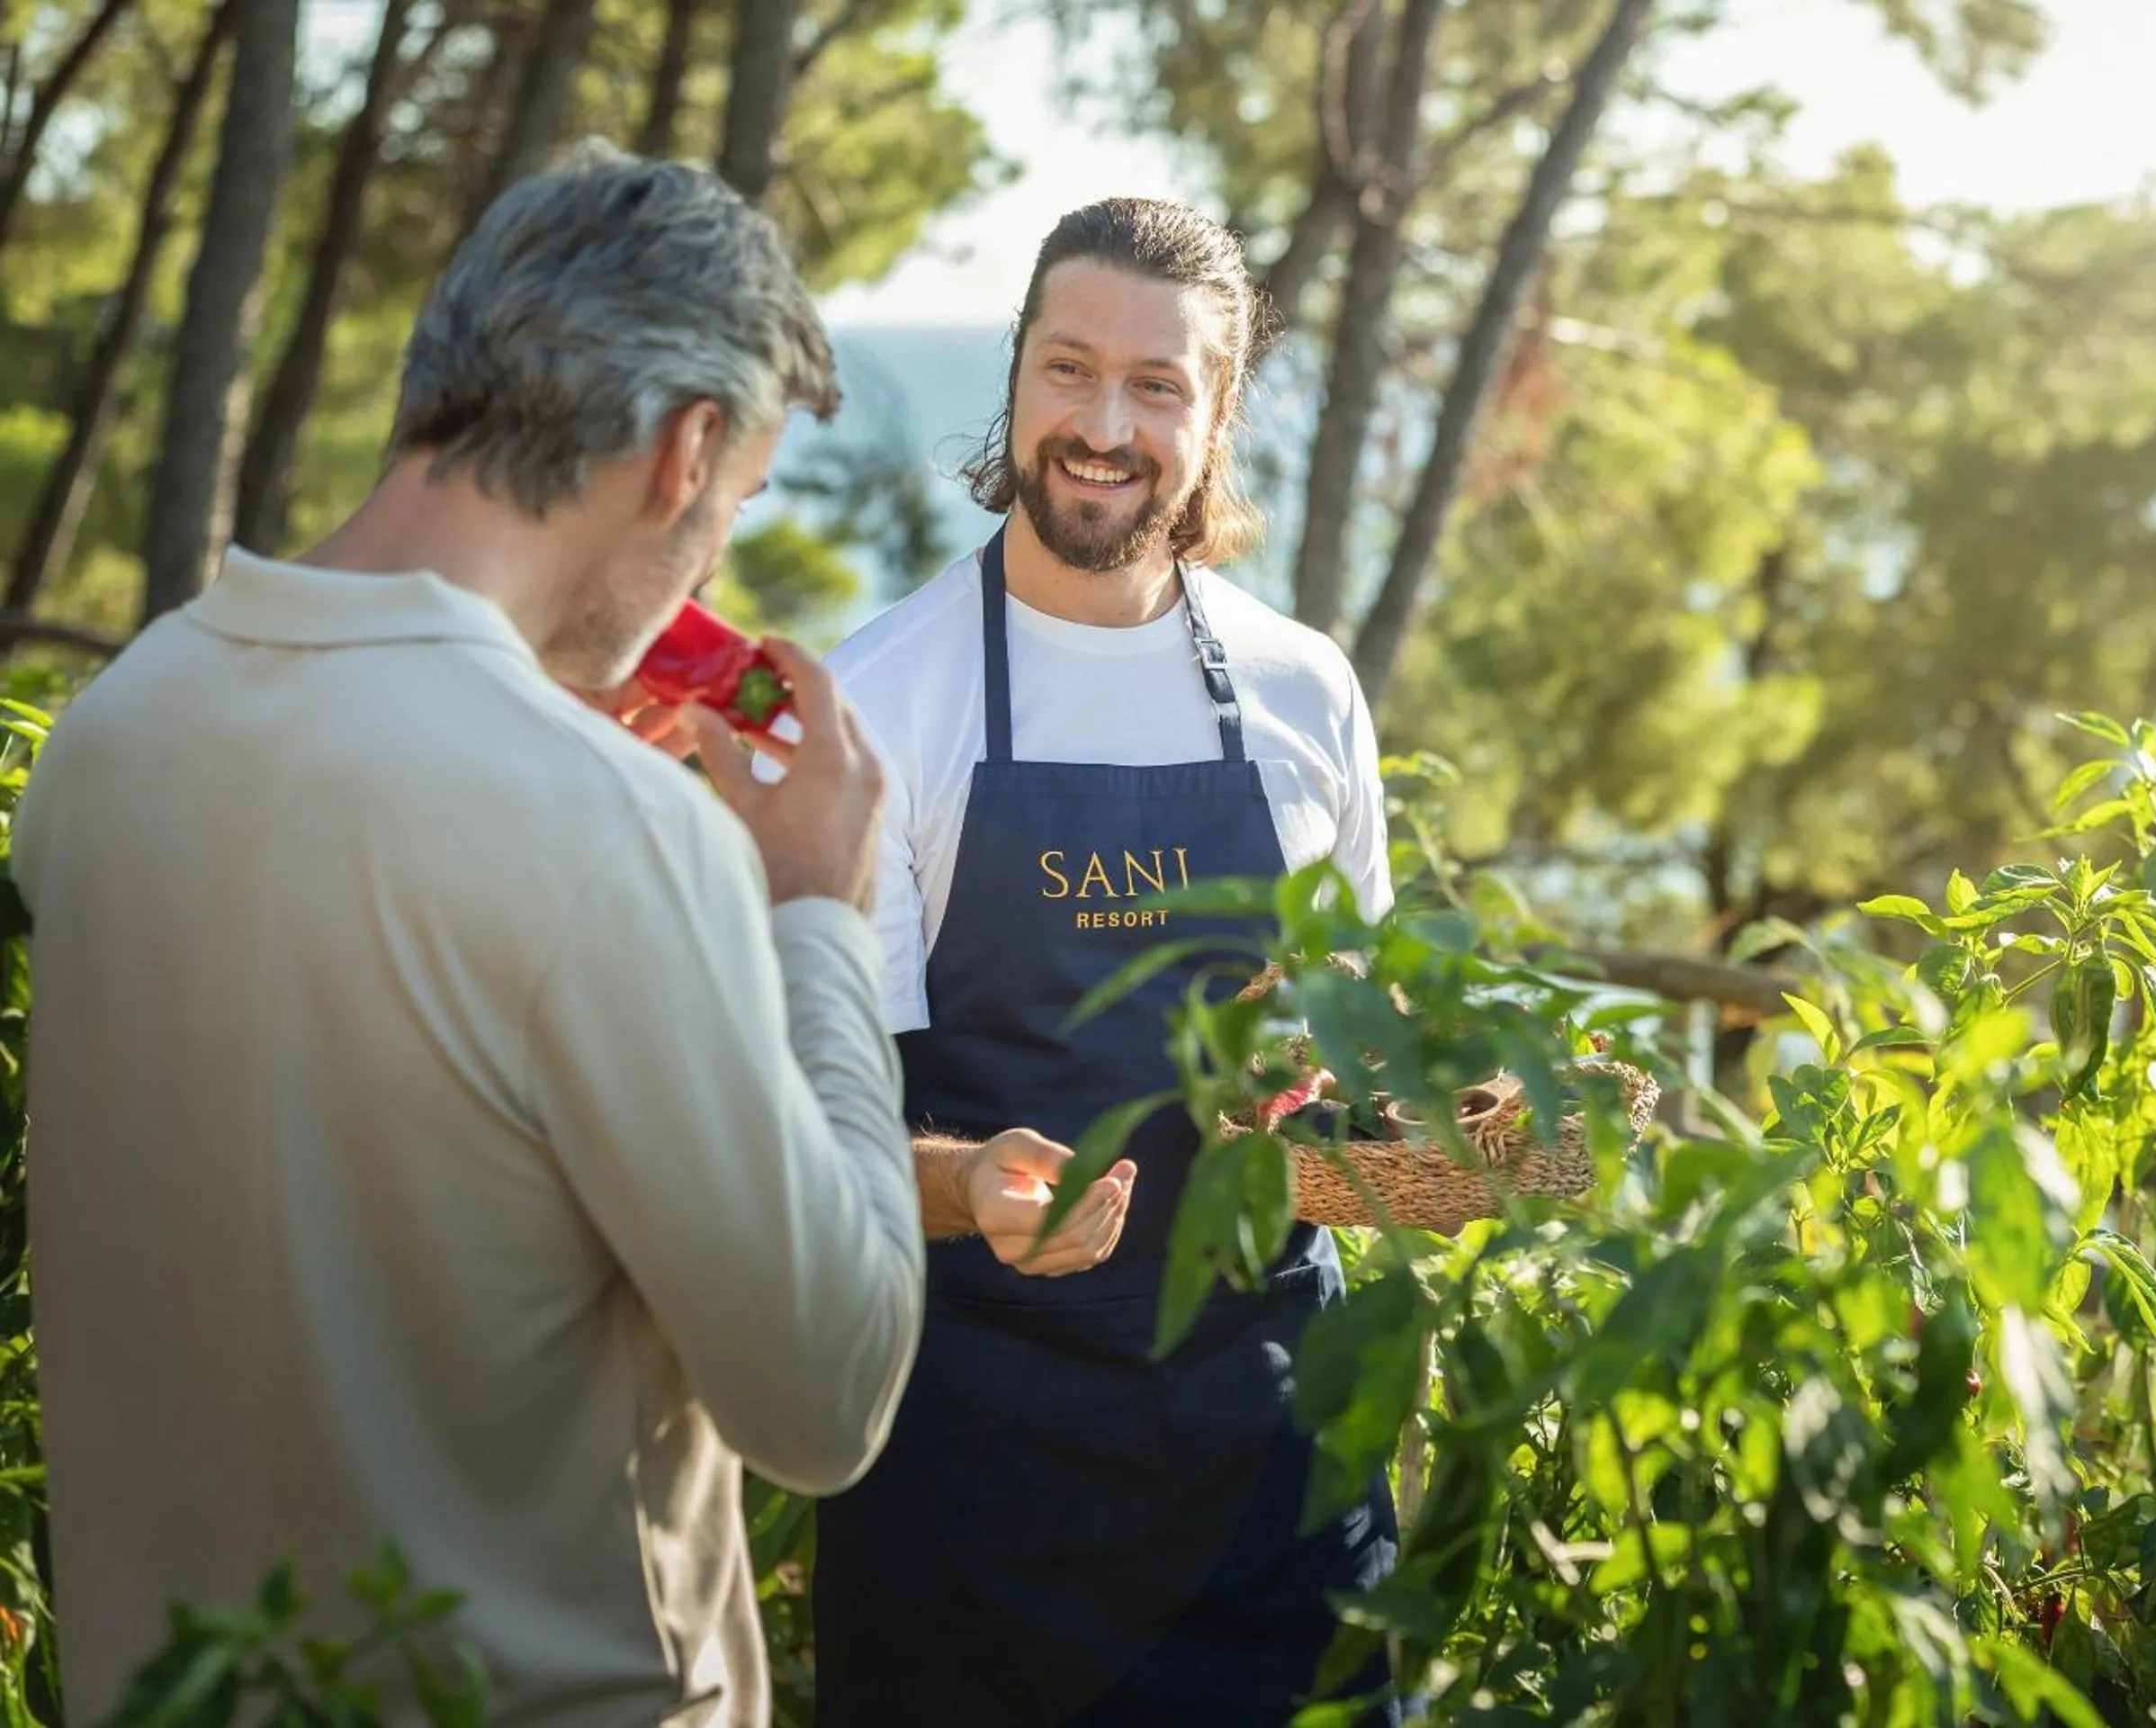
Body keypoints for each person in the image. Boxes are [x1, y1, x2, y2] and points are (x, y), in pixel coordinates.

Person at [13, 146, 924, 1726]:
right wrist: (811, 918)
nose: (714, 555)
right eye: (740, 499)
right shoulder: (604, 834)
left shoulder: (115, 732)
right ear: (684, 448)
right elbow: (826, 1396)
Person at [810, 198, 1401, 1726]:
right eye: (1070, 367)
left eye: (1159, 385)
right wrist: (967, 1188)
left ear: (1215, 421)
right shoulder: (882, 701)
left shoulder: (1303, 693)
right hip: (974, 1484)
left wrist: (1445, 1153)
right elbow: (815, 1130)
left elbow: (1340, 1077)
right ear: (1015, 379)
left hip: (1275, 1468)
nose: (1103, 423)